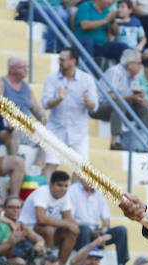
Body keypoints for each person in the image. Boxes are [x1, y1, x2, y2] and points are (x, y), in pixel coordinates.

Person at [43, 48, 98, 176]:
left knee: (80, 170)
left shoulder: (87, 79)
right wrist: (59, 99)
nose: (59, 62)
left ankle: (74, 196)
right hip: (56, 129)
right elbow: (45, 103)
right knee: (51, 165)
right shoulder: (52, 78)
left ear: (73, 61)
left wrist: (86, 102)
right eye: (59, 59)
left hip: (79, 131)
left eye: (62, 60)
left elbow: (94, 106)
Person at [90, 49, 148, 151]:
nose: (140, 66)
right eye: (139, 63)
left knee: (142, 107)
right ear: (129, 64)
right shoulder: (115, 71)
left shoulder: (135, 77)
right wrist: (131, 97)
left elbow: (132, 97)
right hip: (100, 107)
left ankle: (145, 141)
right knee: (120, 103)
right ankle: (115, 141)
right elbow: (110, 96)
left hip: (120, 109)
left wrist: (139, 98)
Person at [69, 178, 129, 265]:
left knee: (121, 231)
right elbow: (69, 218)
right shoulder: (73, 190)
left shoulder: (99, 193)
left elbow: (106, 219)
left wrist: (103, 230)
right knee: (85, 229)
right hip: (79, 232)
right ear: (81, 177)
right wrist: (93, 232)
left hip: (96, 232)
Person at [18, 170, 79, 265]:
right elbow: (41, 219)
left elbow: (68, 219)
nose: (63, 189)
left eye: (66, 186)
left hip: (49, 231)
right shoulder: (42, 192)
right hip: (28, 229)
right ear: (51, 184)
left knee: (71, 232)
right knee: (49, 230)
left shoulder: (64, 195)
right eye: (59, 185)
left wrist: (74, 226)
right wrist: (68, 224)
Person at [0, 56, 49, 157]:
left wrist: (42, 117)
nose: (26, 70)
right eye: (22, 67)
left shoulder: (26, 86)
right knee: (13, 131)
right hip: (9, 126)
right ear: (12, 69)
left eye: (27, 67)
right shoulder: (0, 83)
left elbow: (36, 108)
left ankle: (36, 169)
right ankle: (15, 161)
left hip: (26, 127)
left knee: (47, 137)